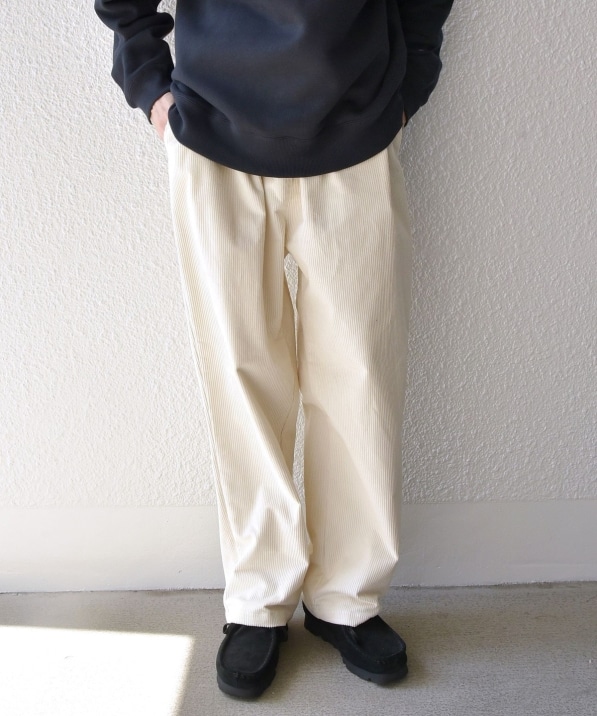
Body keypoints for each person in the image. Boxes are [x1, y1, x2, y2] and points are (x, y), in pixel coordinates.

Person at [95, 0, 454, 699]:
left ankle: (347, 597)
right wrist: (150, 84)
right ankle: (258, 599)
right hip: (211, 129)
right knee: (241, 377)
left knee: (360, 379)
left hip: (357, 126)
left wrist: (411, 79)